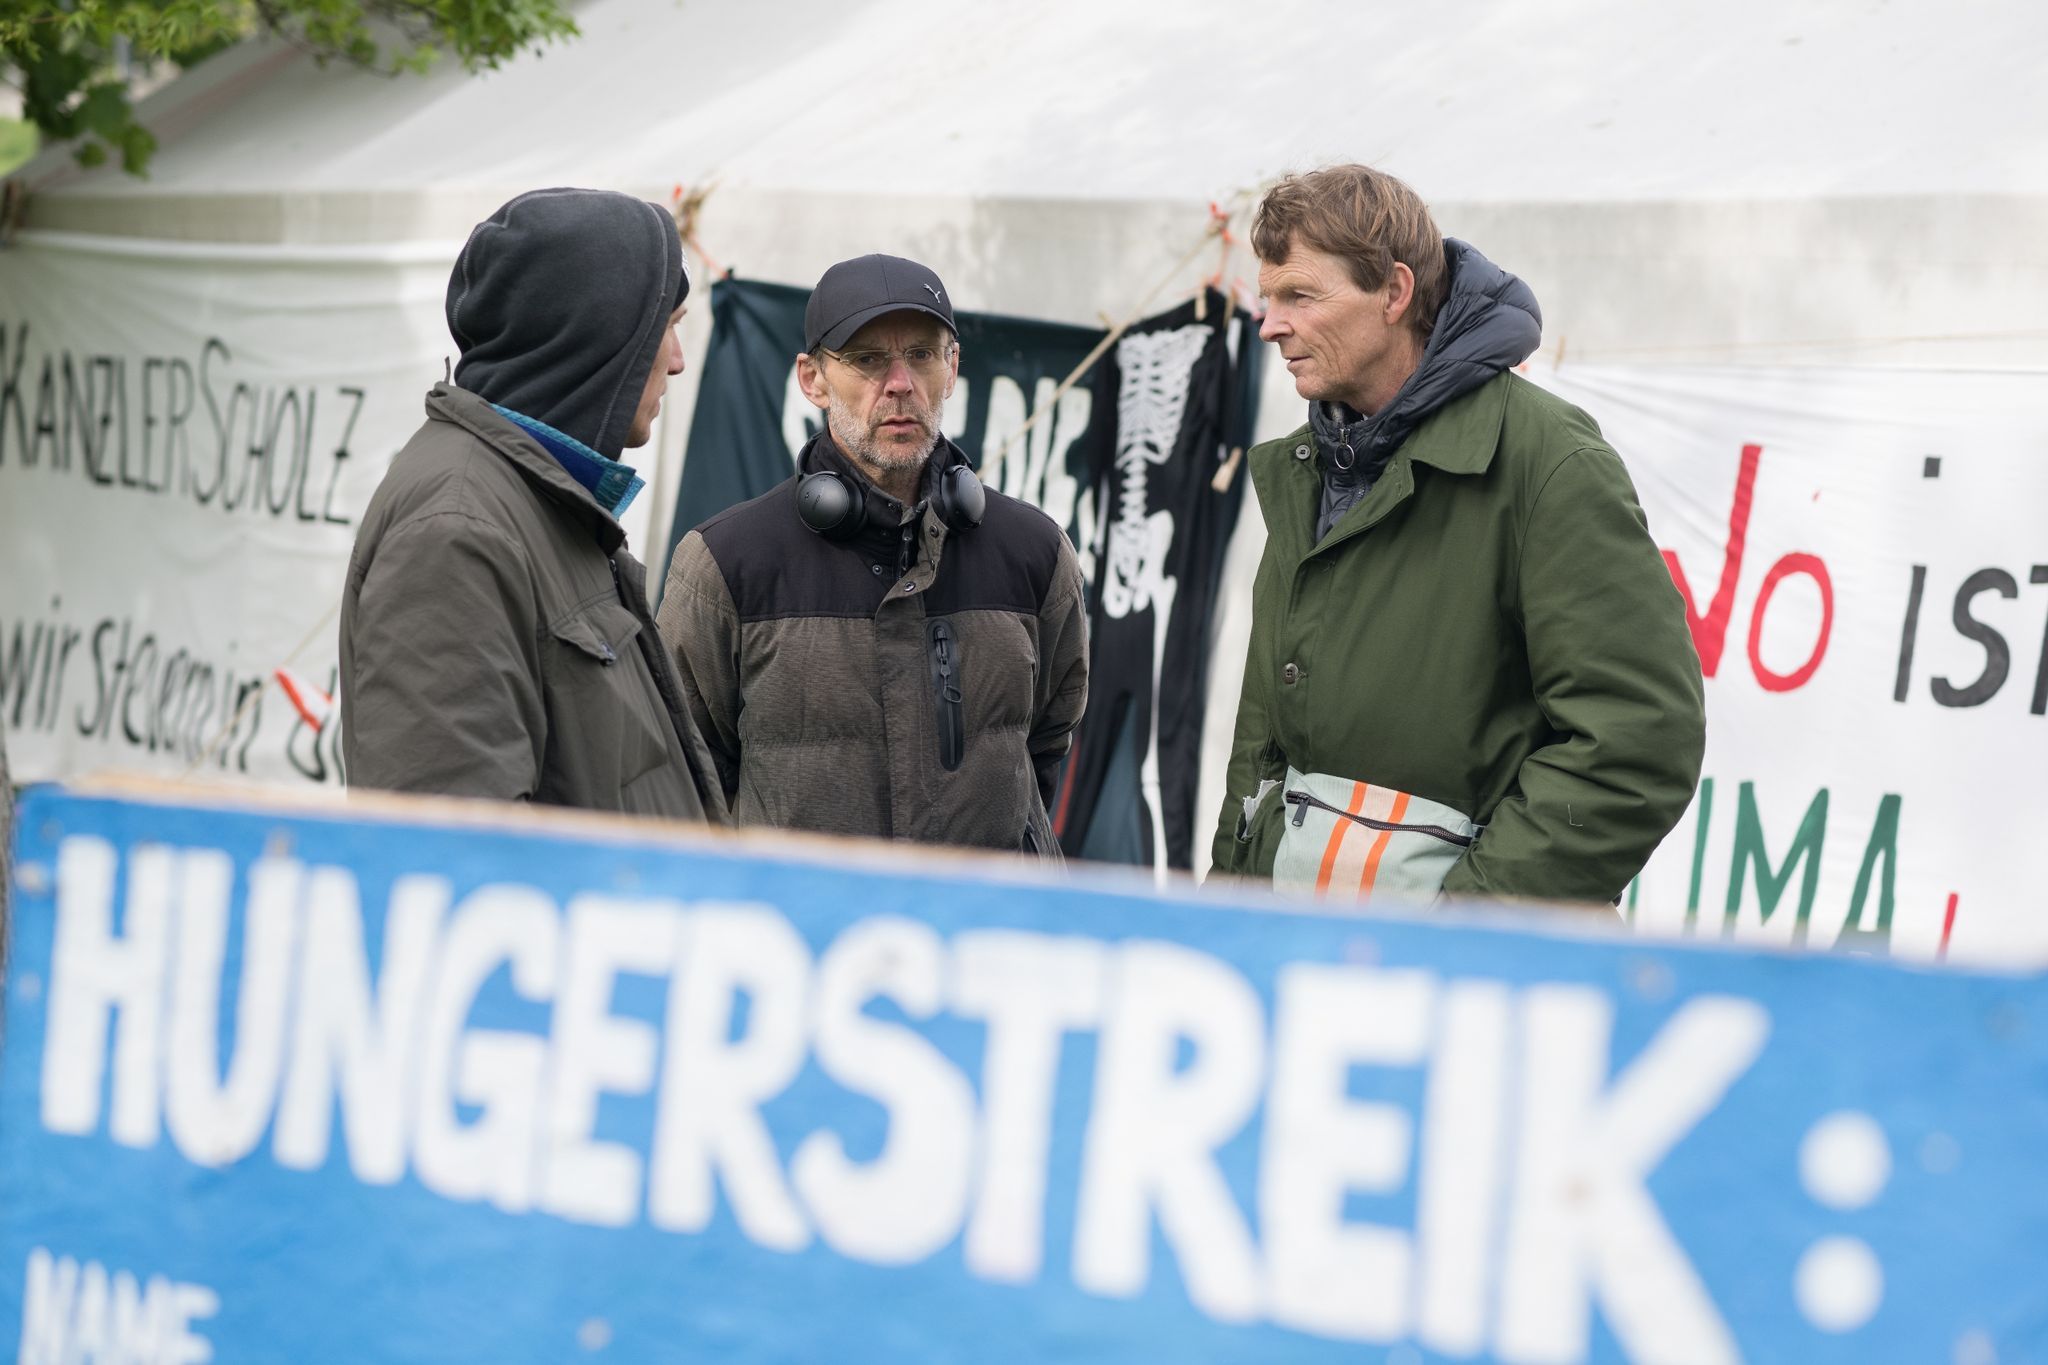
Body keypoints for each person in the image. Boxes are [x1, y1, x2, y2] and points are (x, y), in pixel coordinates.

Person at [1210, 165, 1704, 904]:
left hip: (1473, 990)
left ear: (1395, 293)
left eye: (1300, 296)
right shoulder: (1304, 469)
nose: (1270, 323)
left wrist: (1466, 921)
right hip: (1305, 967)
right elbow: (1262, 750)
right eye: (1269, 296)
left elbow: (1637, 741)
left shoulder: (1550, 463)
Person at [656, 254, 1088, 856]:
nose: (900, 384)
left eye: (922, 354)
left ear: (953, 367)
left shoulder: (1034, 552)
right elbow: (678, 773)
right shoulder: (725, 564)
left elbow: (1044, 742)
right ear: (813, 379)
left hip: (986, 937)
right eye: (866, 360)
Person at [340, 188, 725, 821]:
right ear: (599, 336)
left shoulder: (537, 498)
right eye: (669, 328)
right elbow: (452, 855)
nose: (679, 363)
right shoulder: (457, 531)